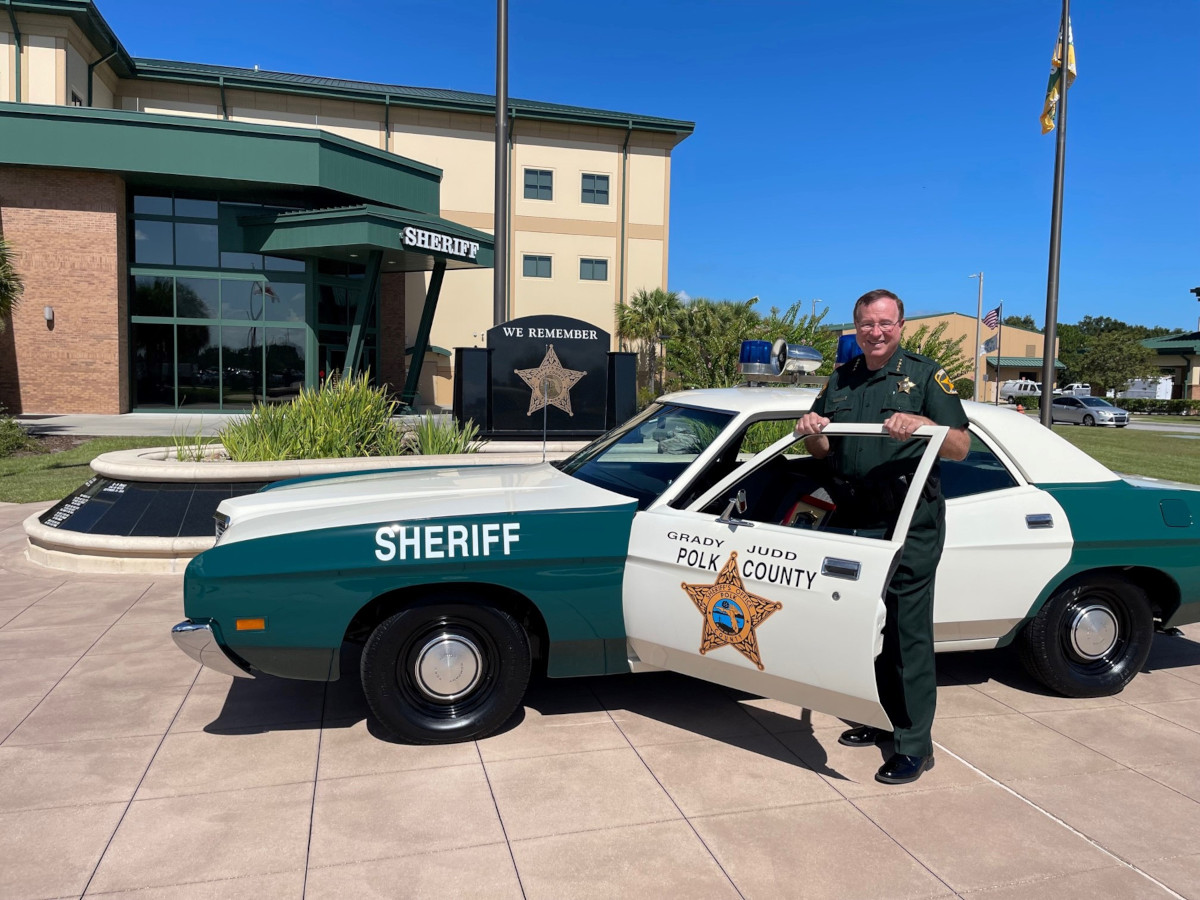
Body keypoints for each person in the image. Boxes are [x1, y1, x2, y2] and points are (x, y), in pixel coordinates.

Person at [794, 289, 969, 785]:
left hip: (907, 520)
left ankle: (914, 743)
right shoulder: (841, 378)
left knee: (907, 633)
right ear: (856, 327)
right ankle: (878, 717)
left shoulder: (925, 375)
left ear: (901, 325)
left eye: (885, 323)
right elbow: (824, 447)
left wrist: (924, 423)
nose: (876, 332)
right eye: (867, 324)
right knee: (859, 627)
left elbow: (959, 446)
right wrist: (810, 428)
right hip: (854, 516)